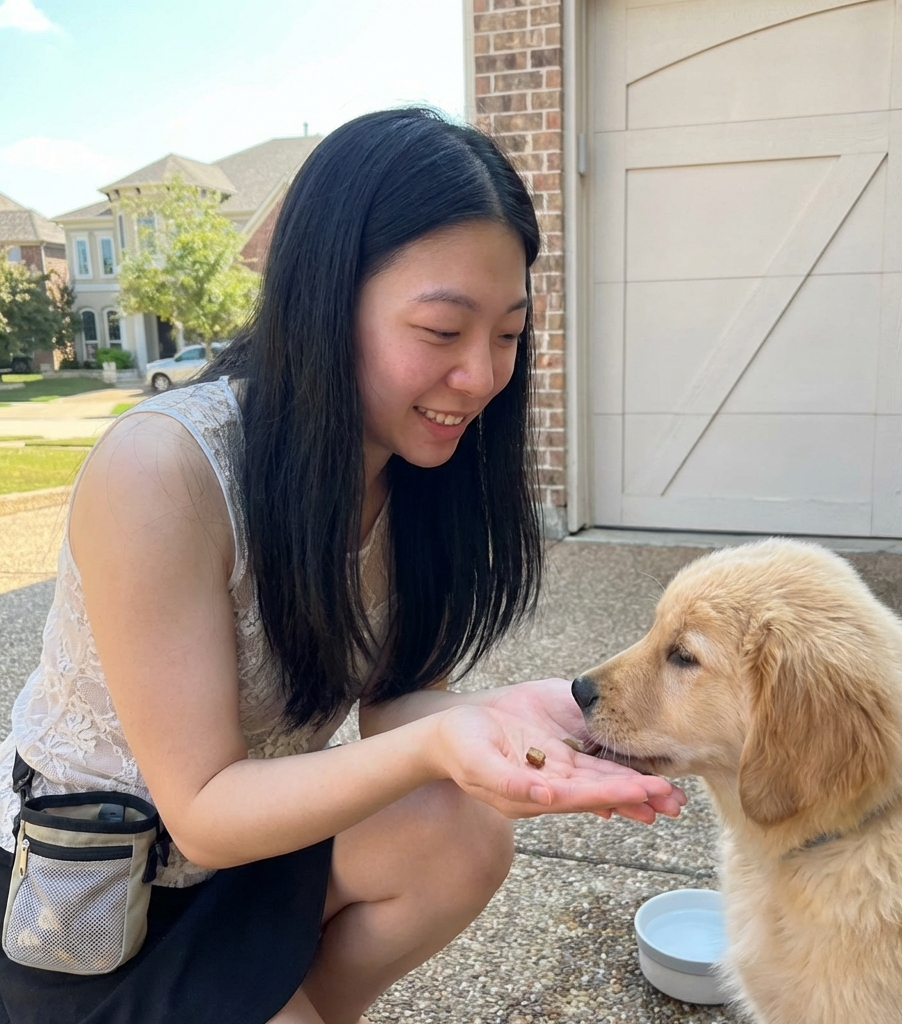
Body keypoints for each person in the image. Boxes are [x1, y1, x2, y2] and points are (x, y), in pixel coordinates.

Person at [0, 108, 684, 1024]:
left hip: (254, 851)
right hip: (106, 898)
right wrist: (441, 744)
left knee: (460, 830)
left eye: (511, 334)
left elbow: (400, 699)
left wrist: (499, 721)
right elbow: (201, 806)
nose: (482, 377)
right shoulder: (162, 471)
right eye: (443, 332)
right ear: (324, 302)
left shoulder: (415, 470)